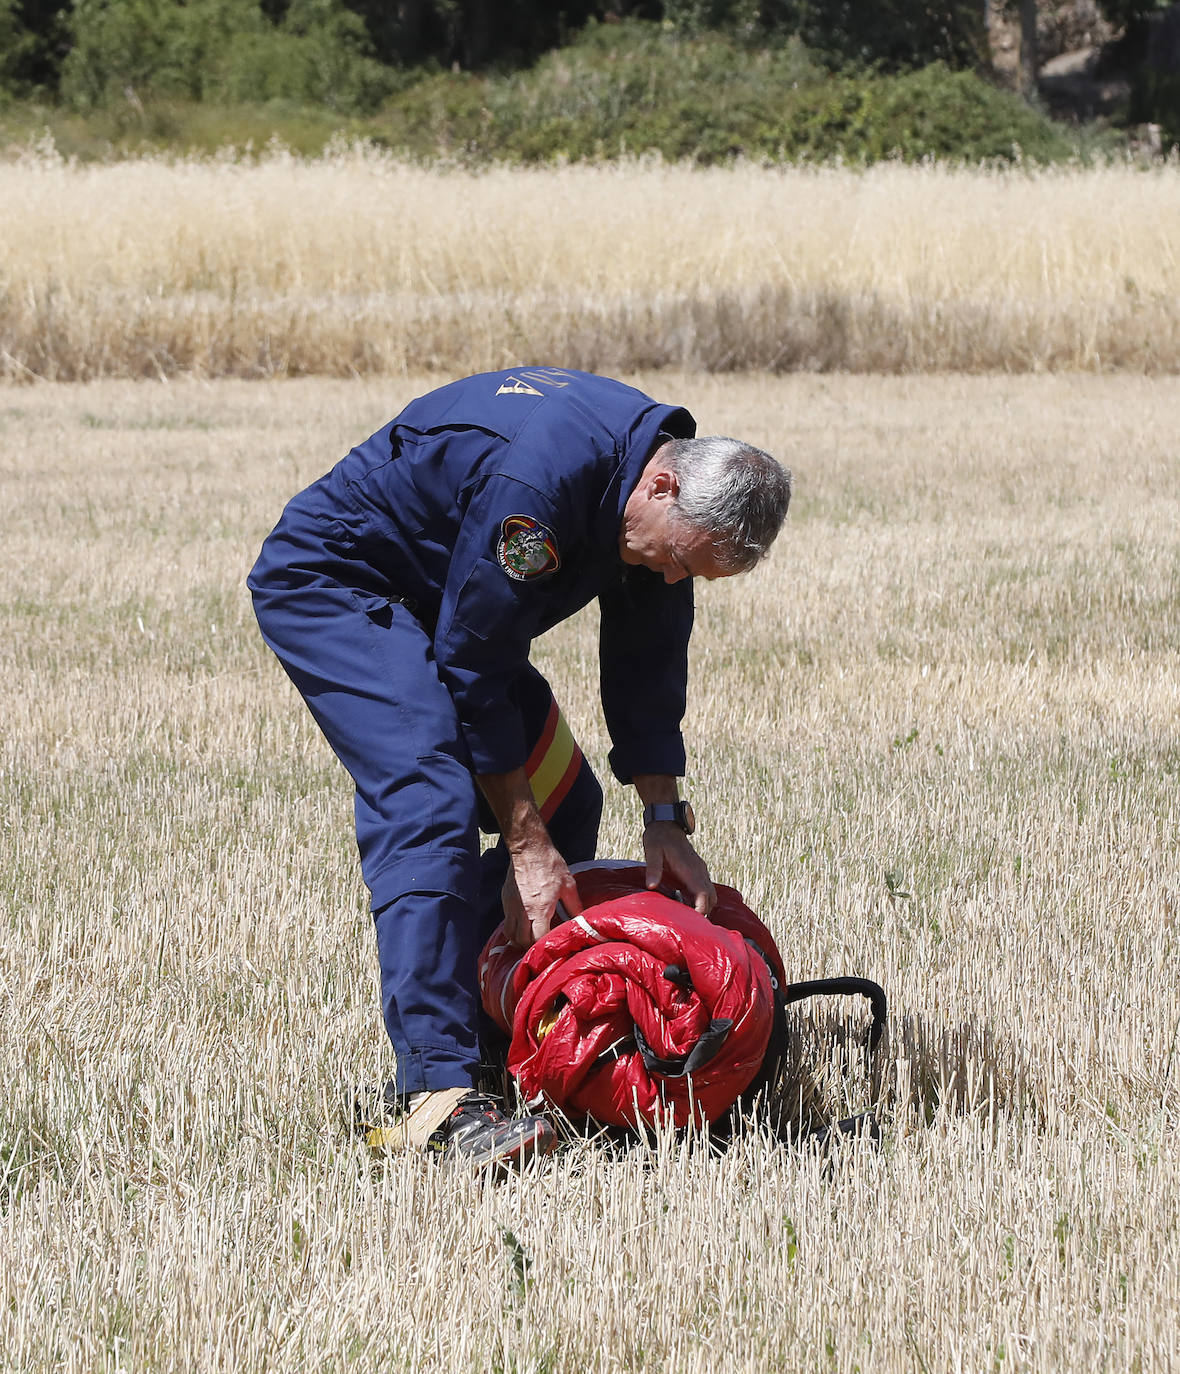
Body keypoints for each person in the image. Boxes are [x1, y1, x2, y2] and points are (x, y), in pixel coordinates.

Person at [247, 366, 791, 1168]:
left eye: (692, 575)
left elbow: (648, 656)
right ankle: (435, 1097)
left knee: (565, 804)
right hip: (340, 584)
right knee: (430, 796)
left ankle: (493, 1045)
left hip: (445, 607)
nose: (674, 578)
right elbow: (473, 667)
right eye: (680, 561)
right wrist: (522, 842)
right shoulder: (539, 491)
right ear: (664, 485)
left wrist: (663, 819)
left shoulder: (656, 496)